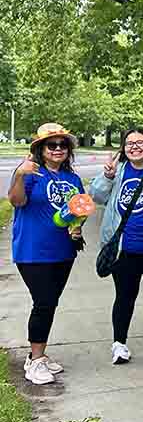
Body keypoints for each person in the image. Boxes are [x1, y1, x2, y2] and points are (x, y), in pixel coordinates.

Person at [9, 123, 84, 385]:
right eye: (51, 145)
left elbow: (78, 210)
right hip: (32, 250)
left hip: (63, 252)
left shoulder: (72, 179)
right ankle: (36, 362)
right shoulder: (30, 173)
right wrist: (19, 175)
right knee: (43, 302)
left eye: (63, 145)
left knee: (49, 303)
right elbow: (17, 201)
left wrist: (77, 228)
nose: (58, 149)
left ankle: (37, 355)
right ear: (40, 148)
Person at [90, 128, 143, 365]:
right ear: (124, 149)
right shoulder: (119, 171)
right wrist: (107, 177)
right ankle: (119, 344)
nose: (134, 146)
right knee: (124, 297)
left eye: (140, 142)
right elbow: (96, 196)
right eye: (129, 143)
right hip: (125, 248)